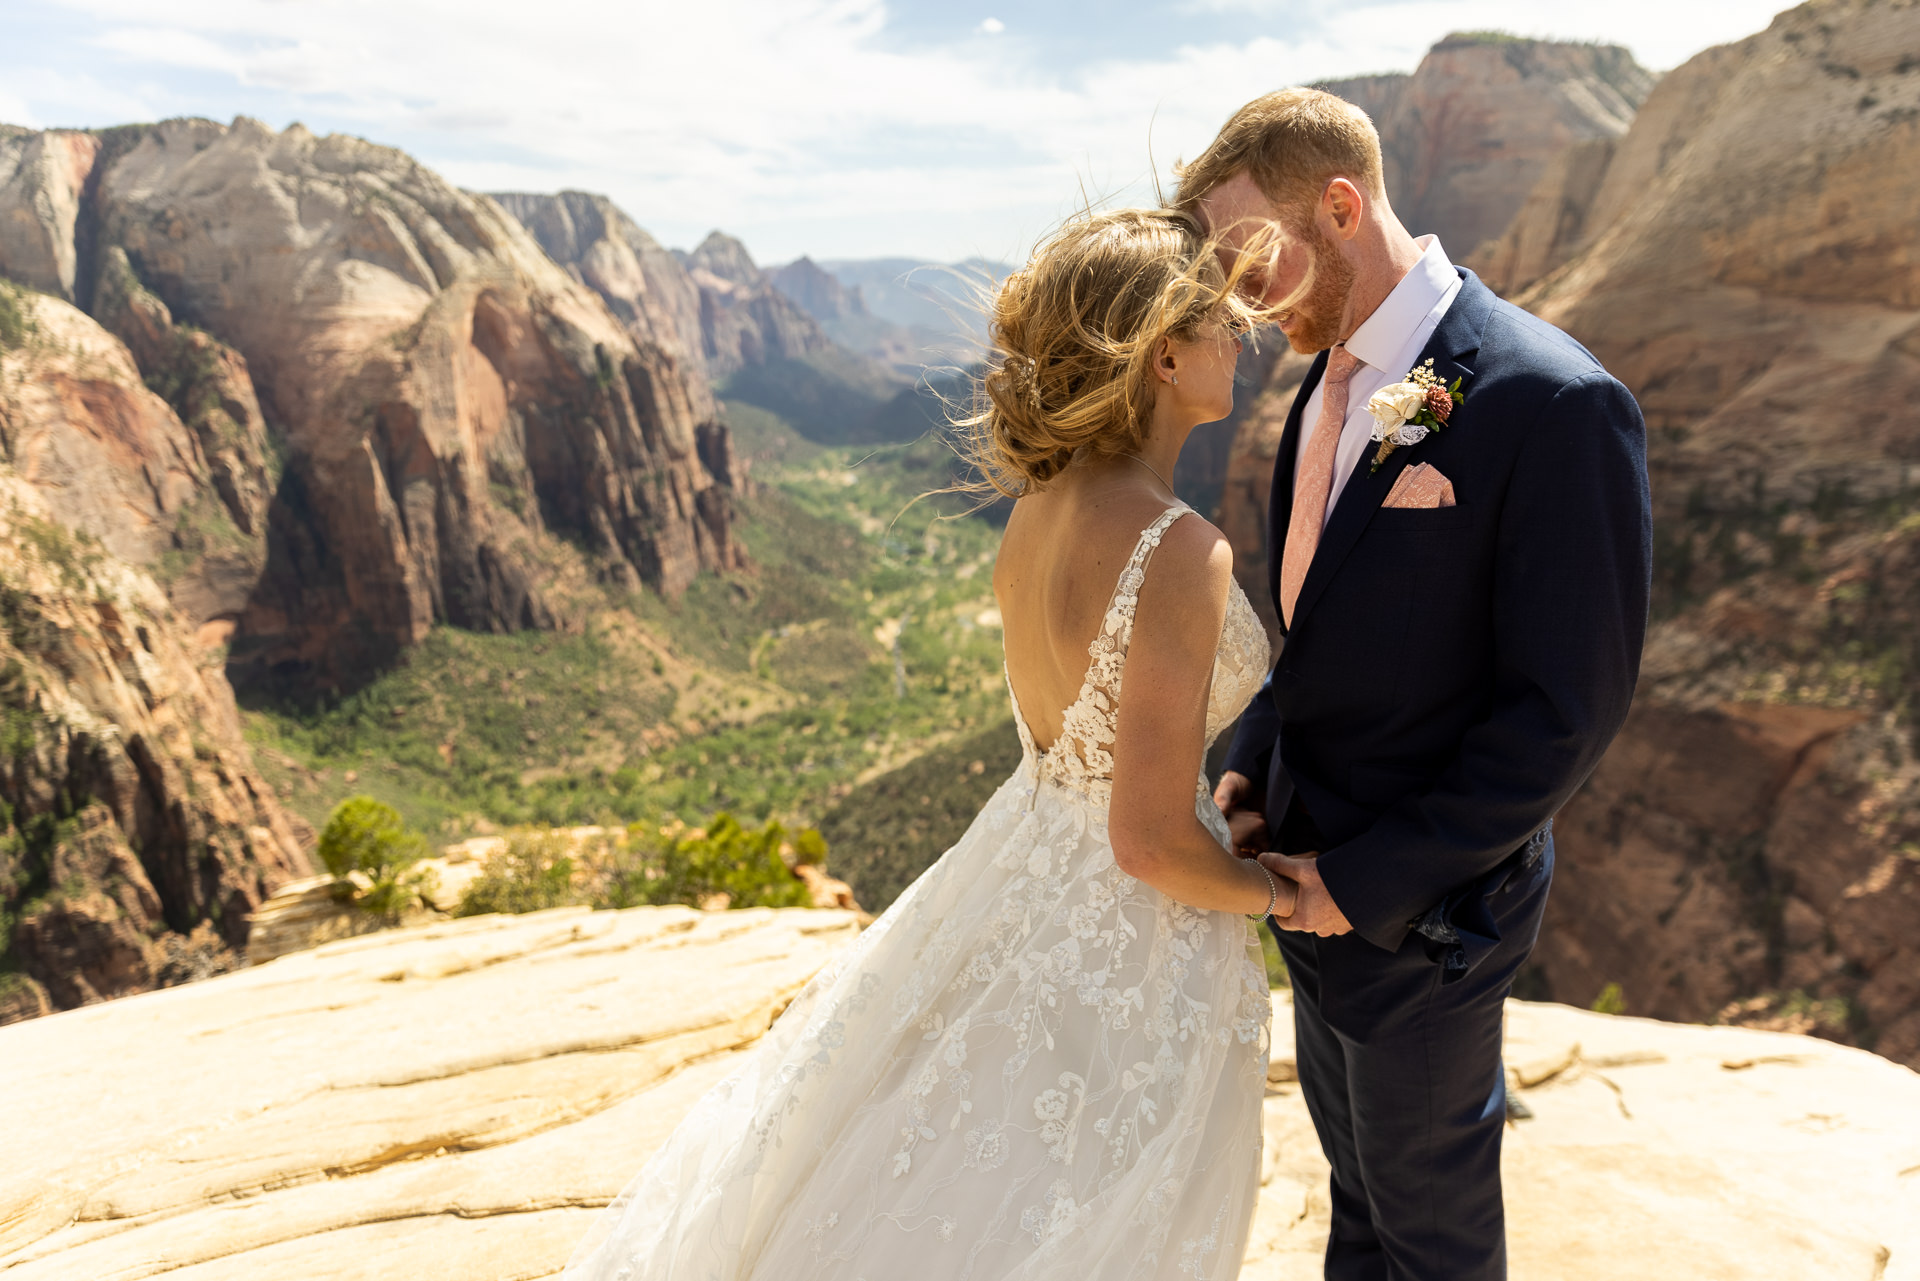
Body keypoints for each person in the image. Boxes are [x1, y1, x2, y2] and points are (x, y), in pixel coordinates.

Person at [561, 207, 1287, 1281]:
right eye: (1222, 316)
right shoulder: (1179, 549)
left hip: (1019, 874)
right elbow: (1140, 841)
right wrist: (1275, 890)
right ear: (1165, 352)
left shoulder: (1038, 508)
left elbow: (1092, 758)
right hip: (1126, 937)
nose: (1244, 334)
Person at [1182, 88, 1653, 1281]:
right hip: (1306, 887)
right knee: (1361, 1208)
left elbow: (1566, 714)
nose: (1237, 298)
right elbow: (1316, 636)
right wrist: (1250, 764)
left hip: (1429, 917)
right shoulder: (1321, 389)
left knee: (1434, 1239)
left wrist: (1362, 884)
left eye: (1251, 258)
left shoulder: (1554, 404)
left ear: (1340, 207)